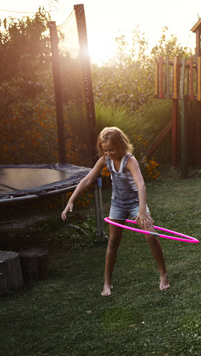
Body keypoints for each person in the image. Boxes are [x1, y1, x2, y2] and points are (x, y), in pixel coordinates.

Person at [62, 127, 170, 296]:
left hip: (135, 203)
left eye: (111, 149)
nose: (109, 153)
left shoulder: (130, 160)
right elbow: (88, 179)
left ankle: (164, 275)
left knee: (151, 235)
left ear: (121, 145)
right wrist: (71, 200)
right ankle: (107, 284)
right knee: (113, 241)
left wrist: (142, 212)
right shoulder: (105, 160)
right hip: (118, 204)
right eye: (105, 150)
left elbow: (141, 185)